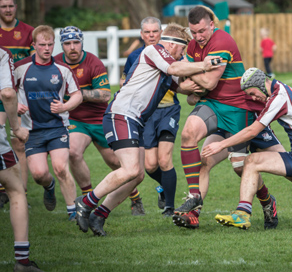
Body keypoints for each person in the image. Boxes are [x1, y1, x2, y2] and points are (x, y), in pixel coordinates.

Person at [74, 23, 220, 236]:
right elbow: (175, 69)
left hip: (135, 120)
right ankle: (86, 202)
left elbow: (184, 88)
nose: (182, 54)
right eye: (182, 49)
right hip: (122, 115)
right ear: (171, 44)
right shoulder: (154, 51)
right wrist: (203, 65)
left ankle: (100, 215)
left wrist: (205, 85)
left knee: (137, 175)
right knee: (131, 170)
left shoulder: (166, 63)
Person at [202, 68, 292, 230]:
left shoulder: (279, 97)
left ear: (260, 84)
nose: (254, 98)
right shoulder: (278, 90)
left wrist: (221, 144)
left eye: (253, 93)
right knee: (251, 161)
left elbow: (253, 131)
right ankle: (242, 214)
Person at [171, 6, 280, 230]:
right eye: (193, 32)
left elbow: (207, 82)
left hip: (237, 109)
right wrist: (190, 84)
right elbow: (182, 84)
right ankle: (193, 208)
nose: (198, 37)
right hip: (211, 105)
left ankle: (268, 201)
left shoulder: (222, 42)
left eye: (202, 31)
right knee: (192, 139)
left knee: (240, 167)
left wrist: (190, 78)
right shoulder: (193, 45)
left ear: (212, 24)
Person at [53, 26, 146, 218]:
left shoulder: (93, 62)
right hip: (75, 120)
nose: (72, 47)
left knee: (117, 163)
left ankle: (135, 198)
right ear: (61, 45)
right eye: (67, 43)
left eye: (76, 42)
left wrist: (78, 95)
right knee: (73, 152)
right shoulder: (55, 64)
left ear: (81, 43)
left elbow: (105, 95)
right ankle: (87, 199)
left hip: (100, 119)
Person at [14, 25, 82, 219]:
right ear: (33, 45)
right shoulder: (21, 68)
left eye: (50, 44)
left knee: (61, 167)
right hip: (32, 130)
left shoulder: (62, 69)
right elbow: (7, 92)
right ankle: (49, 186)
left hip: (57, 127)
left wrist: (65, 107)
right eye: (42, 45)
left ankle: (73, 212)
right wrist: (16, 105)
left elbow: (77, 95)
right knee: (39, 174)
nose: (46, 48)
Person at [121, 17, 181, 217]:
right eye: (147, 32)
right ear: (141, 35)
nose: (152, 35)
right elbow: (125, 80)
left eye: (155, 31)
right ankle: (165, 188)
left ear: (161, 33)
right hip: (146, 113)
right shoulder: (135, 56)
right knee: (150, 166)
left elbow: (180, 75)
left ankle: (170, 208)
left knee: (164, 160)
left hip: (168, 109)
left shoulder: (172, 53)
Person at [0, 47, 43, 271]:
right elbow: (7, 93)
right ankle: (22, 262)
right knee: (15, 190)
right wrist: (16, 128)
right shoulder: (2, 53)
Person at [0, 0, 34, 207]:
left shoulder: (28, 32)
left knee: (18, 144)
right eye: (3, 7)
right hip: (2, 93)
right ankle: (5, 190)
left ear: (16, 6)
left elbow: (34, 65)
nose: (8, 10)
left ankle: (21, 193)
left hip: (21, 93)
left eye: (11, 6)